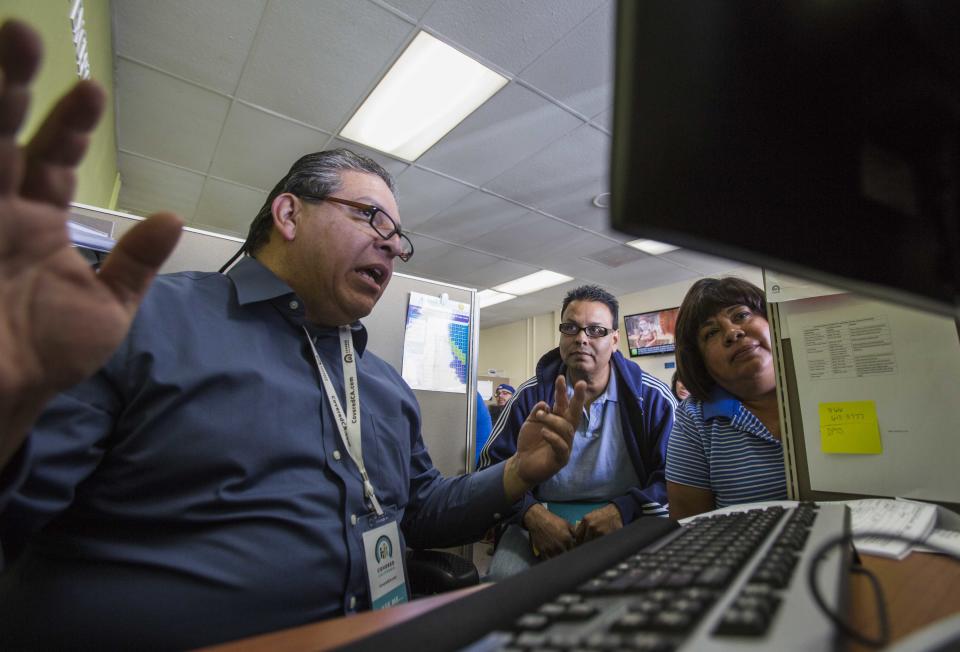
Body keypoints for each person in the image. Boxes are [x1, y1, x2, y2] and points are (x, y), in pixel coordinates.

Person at [0, 21, 587, 649]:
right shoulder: (142, 321)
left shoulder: (385, 388)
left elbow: (421, 510)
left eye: (400, 239)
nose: (391, 244)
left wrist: (519, 472)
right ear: (288, 214)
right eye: (371, 217)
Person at [479, 285, 676, 578]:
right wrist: (531, 515)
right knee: (503, 581)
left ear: (615, 340)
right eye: (570, 328)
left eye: (595, 330)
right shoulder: (530, 397)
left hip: (627, 514)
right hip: (539, 513)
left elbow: (676, 475)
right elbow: (489, 469)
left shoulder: (652, 398)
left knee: (653, 584)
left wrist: (624, 510)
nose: (581, 338)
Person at [665, 277, 788, 521]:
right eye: (711, 332)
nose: (732, 332)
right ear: (701, 361)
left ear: (771, 319)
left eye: (741, 315)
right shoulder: (694, 420)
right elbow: (690, 526)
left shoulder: (826, 384)